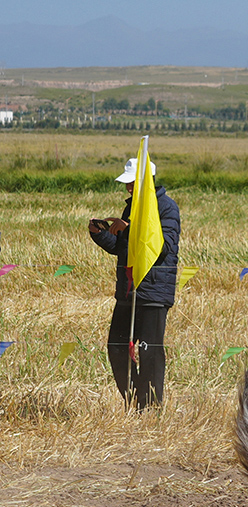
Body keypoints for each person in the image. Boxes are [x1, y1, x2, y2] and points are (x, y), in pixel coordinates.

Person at [88, 157, 180, 409]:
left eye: (132, 183)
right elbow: (123, 248)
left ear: (147, 182)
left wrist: (128, 228)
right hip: (128, 291)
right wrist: (101, 235)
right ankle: (137, 402)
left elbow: (162, 248)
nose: (128, 188)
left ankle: (151, 408)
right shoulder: (131, 208)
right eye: (127, 183)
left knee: (150, 352)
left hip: (153, 292)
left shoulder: (167, 208)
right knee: (116, 347)